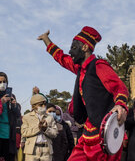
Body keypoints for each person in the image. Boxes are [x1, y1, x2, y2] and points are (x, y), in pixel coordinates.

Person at [38, 27, 128, 161]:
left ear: (85, 47)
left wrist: (120, 105)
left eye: (74, 47)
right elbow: (61, 58)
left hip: (104, 134)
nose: (70, 51)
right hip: (88, 133)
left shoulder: (99, 66)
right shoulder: (79, 69)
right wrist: (46, 39)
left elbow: (120, 88)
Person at [0, 72, 21, 161]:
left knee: (9, 157)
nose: (2, 84)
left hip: (9, 133)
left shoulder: (11, 96)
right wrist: (0, 102)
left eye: (4, 81)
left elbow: (18, 115)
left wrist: (14, 106)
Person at [21, 94, 58, 161]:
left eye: (45, 104)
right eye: (41, 105)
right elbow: (24, 132)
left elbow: (54, 133)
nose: (43, 106)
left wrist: (46, 129)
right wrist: (38, 128)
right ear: (33, 106)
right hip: (32, 150)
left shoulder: (50, 117)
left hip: (46, 150)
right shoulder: (27, 117)